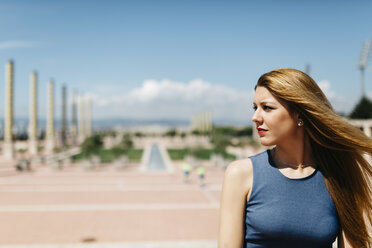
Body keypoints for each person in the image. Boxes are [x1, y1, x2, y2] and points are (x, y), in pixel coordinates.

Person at [218, 68, 372, 248]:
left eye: (267, 108)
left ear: (300, 113)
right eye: (255, 108)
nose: (255, 117)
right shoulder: (240, 174)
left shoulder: (338, 174)